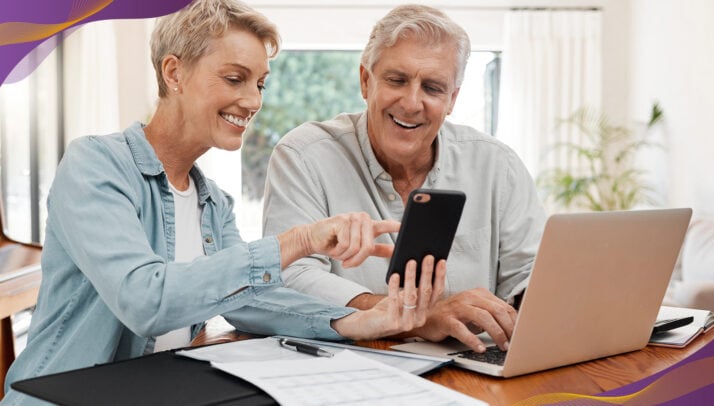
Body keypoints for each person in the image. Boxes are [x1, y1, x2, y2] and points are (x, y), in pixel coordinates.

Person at [1, 1, 446, 403]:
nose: (252, 100)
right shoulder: (96, 164)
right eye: (235, 78)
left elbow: (249, 301)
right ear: (174, 73)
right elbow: (145, 300)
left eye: (260, 84)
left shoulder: (213, 201)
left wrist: (354, 321)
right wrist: (297, 241)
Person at [263, 4, 546, 354]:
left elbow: (533, 271)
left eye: (432, 87)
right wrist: (412, 317)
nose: (412, 103)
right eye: (397, 80)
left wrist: (537, 298)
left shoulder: (497, 164)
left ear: (452, 99)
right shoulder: (305, 155)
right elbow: (287, 277)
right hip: (354, 367)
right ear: (366, 81)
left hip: (473, 364)